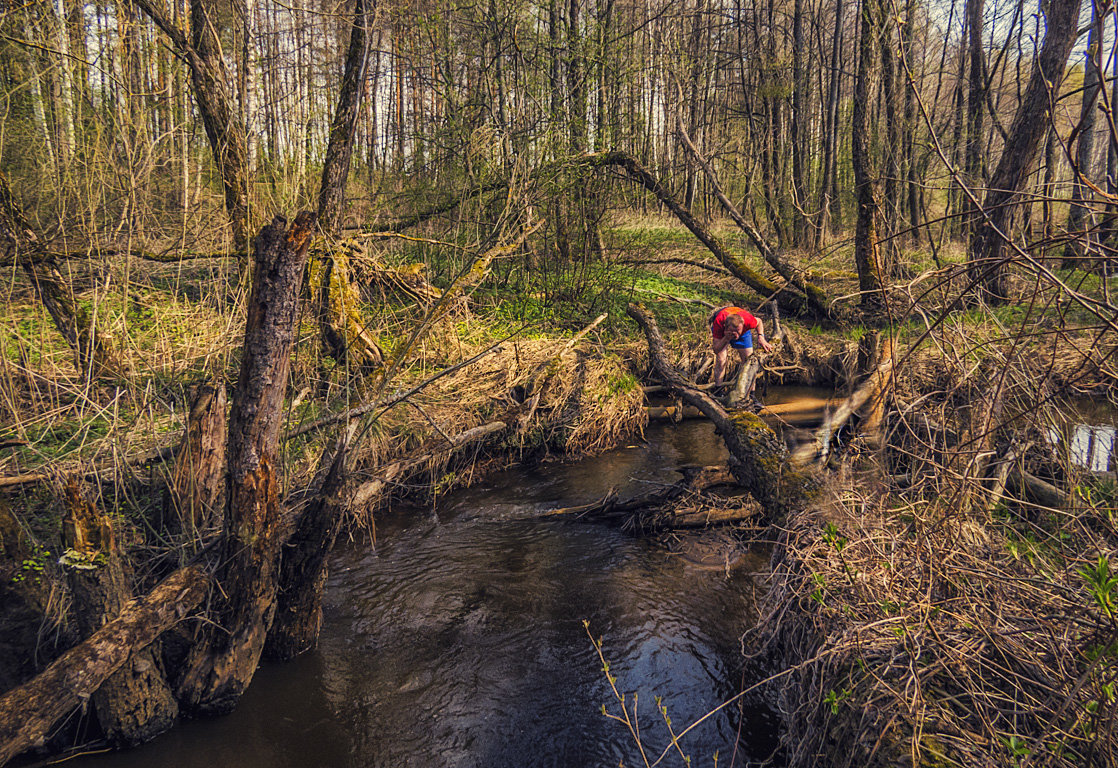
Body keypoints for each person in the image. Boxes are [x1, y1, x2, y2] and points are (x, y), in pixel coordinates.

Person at [709, 305, 773, 388]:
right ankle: (718, 389)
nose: (735, 334)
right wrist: (726, 338)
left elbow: (759, 322)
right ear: (726, 327)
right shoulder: (719, 324)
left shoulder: (748, 321)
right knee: (721, 359)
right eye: (732, 331)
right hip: (723, 329)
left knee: (749, 361)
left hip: (744, 332)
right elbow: (716, 350)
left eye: (737, 331)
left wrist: (761, 337)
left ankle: (751, 392)